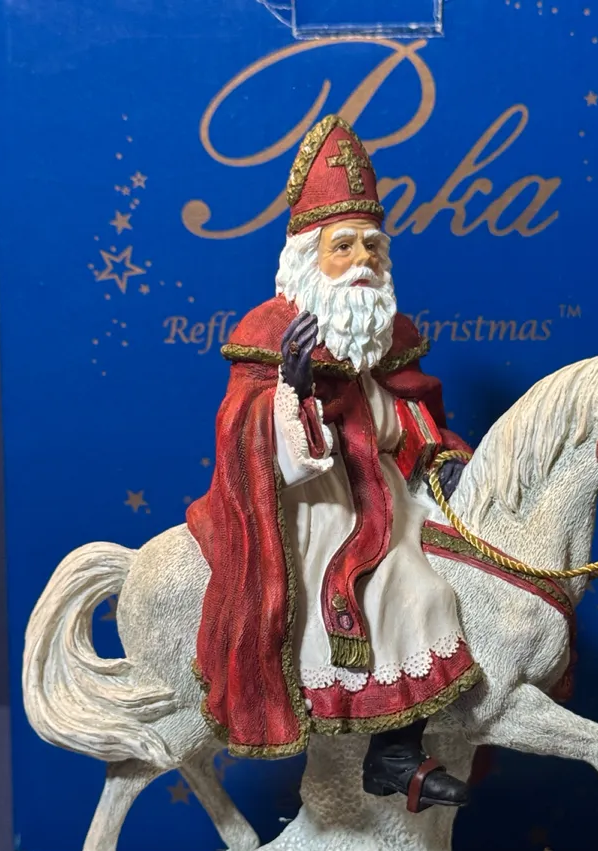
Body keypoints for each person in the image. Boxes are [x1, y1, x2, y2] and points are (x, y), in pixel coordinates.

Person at [187, 114, 483, 813]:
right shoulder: (270, 333)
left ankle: (406, 745)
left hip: (390, 493)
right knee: (413, 592)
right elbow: (248, 436)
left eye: (372, 247)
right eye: (342, 246)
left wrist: (441, 454)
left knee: (468, 566)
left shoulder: (387, 334)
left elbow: (409, 411)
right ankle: (392, 755)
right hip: (318, 505)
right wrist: (291, 392)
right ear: (306, 257)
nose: (361, 262)